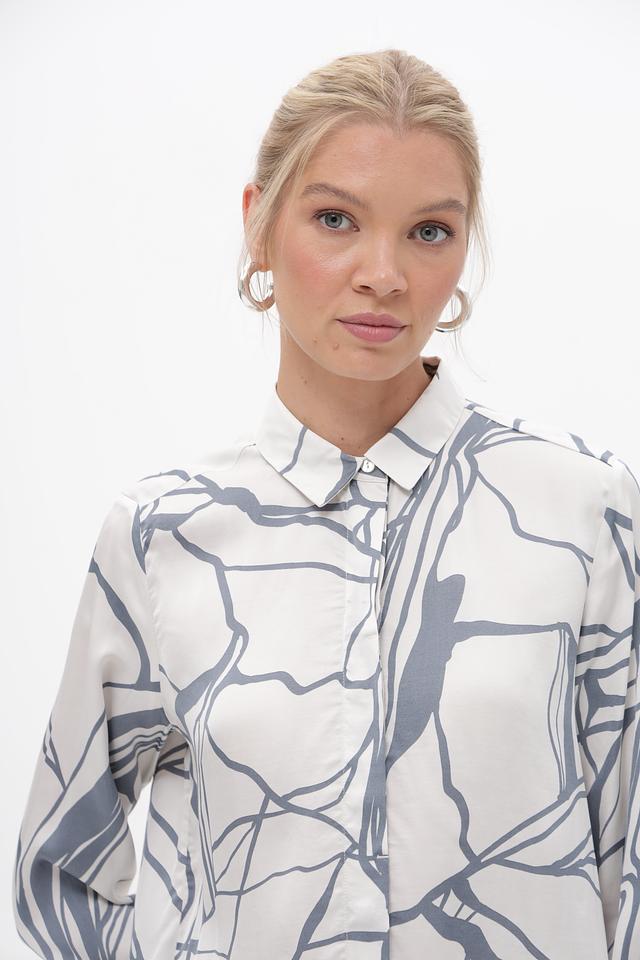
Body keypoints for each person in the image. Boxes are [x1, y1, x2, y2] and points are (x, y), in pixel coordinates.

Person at [12, 48, 639, 960]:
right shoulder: (159, 538)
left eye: (429, 231)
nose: (384, 274)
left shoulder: (583, 512)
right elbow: (65, 872)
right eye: (336, 219)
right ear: (259, 226)